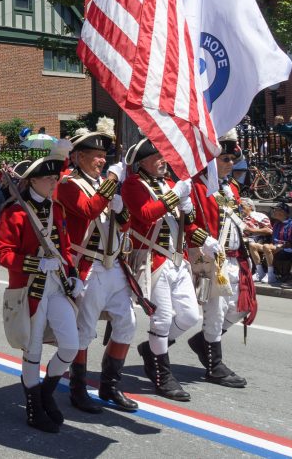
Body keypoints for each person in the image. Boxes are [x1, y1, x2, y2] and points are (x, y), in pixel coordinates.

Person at [0, 142, 83, 433]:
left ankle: (46, 392)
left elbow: (65, 246)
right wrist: (33, 263)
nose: (54, 182)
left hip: (57, 285)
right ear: (32, 181)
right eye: (48, 179)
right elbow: (2, 252)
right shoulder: (15, 212)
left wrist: (73, 272)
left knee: (70, 345)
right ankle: (34, 406)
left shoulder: (56, 209)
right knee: (32, 351)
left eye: (55, 178)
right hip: (30, 290)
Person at [55, 118, 137, 413]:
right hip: (88, 265)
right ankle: (77, 389)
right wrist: (113, 183)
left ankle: (110, 386)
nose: (102, 161)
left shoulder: (103, 184)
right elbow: (88, 210)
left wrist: (121, 208)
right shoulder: (67, 184)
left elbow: (126, 224)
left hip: (114, 264)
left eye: (104, 156)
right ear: (78, 157)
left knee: (127, 324)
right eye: (96, 156)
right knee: (85, 330)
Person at [121, 139, 202, 402]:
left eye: (163, 156)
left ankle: (152, 348)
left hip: (177, 260)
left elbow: (185, 223)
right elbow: (145, 213)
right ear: (143, 162)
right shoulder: (134, 184)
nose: (163, 160)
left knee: (190, 316)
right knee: (163, 319)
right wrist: (175, 195)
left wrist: (190, 214)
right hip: (152, 259)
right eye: (157, 157)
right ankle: (162, 373)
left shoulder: (169, 185)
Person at [189, 130, 256, 389]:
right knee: (214, 313)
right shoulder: (198, 186)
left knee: (241, 307)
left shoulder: (231, 188)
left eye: (231, 159)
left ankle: (203, 343)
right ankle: (214, 365)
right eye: (224, 158)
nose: (230, 164)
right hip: (210, 258)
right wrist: (204, 239)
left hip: (233, 257)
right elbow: (190, 225)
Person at [241, 199, 274, 283]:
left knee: (250, 243)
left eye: (242, 207)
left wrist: (251, 230)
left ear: (250, 207)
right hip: (241, 239)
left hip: (257, 239)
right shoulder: (239, 217)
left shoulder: (259, 216)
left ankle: (260, 272)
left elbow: (269, 230)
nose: (240, 209)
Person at [268, 202, 292, 280]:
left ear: (282, 212)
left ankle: (272, 274)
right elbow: (273, 240)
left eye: (275, 210)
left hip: (288, 248)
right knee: (255, 246)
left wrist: (281, 246)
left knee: (267, 248)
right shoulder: (277, 224)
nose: (273, 212)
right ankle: (266, 272)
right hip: (276, 246)